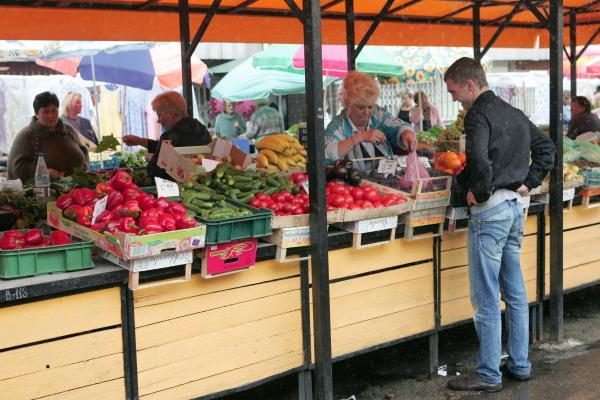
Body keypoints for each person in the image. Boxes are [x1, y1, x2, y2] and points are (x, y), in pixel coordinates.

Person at [443, 57, 555, 393]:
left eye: (454, 91)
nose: (454, 99)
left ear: (470, 85)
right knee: (516, 292)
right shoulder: (514, 112)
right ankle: (520, 364)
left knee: (487, 296)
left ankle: (489, 373)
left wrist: (478, 191)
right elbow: (546, 148)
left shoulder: (478, 114)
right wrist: (527, 182)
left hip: (491, 212)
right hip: (514, 209)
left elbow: (478, 160)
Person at [324, 71, 416, 171]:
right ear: (348, 105)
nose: (367, 112)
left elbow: (397, 125)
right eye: (361, 107)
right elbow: (327, 153)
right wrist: (359, 137)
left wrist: (406, 134)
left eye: (370, 106)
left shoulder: (378, 114)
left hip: (384, 180)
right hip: (352, 184)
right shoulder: (337, 127)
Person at [122, 91, 211, 181]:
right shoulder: (202, 131)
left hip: (177, 189)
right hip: (204, 184)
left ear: (171, 114)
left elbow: (154, 172)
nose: (158, 120)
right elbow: (175, 146)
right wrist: (139, 141)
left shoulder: (170, 136)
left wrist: (151, 158)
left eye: (159, 115)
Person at [7, 91, 89, 182]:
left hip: (78, 189)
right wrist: (43, 173)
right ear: (37, 114)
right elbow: (16, 169)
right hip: (44, 193)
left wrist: (84, 171)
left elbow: (83, 151)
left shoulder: (68, 130)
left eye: (54, 111)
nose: (51, 116)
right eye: (45, 112)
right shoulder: (26, 136)